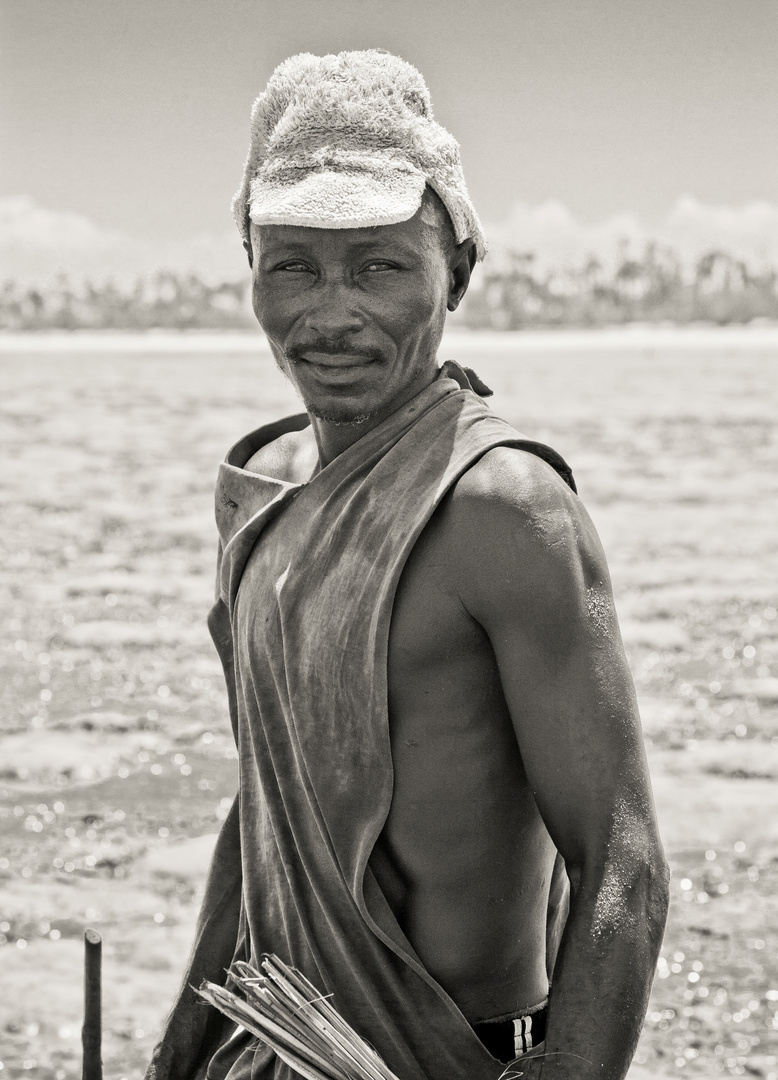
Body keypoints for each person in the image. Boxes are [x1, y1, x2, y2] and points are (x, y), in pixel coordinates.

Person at [146, 50, 669, 1080]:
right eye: (291, 263)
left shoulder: (500, 508)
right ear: (247, 264)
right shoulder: (263, 495)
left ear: (457, 272)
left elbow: (623, 861)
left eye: (380, 265)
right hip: (275, 1050)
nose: (329, 314)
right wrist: (179, 1050)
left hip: (449, 1057)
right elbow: (274, 804)